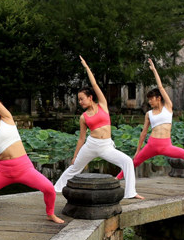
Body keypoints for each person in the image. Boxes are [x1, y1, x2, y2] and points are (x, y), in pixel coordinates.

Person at [0, 65, 65, 224]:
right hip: (4, 171)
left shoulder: (7, 119)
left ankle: (50, 213)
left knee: (49, 189)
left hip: (24, 167)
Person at [54, 56, 144, 199]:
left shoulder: (102, 104)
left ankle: (130, 193)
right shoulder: (83, 117)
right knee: (74, 168)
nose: (80, 102)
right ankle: (55, 189)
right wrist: (75, 155)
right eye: (79, 100)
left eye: (82, 99)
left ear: (90, 98)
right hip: (91, 145)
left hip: (106, 146)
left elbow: (95, 85)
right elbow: (81, 138)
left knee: (127, 161)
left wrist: (86, 67)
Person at [116, 59, 184, 190]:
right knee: (134, 162)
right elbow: (143, 133)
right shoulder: (149, 114)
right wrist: (138, 150)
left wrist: (154, 70)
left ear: (158, 98)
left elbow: (160, 87)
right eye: (148, 100)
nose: (149, 102)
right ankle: (117, 179)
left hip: (166, 145)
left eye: (151, 99)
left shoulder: (168, 107)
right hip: (152, 144)